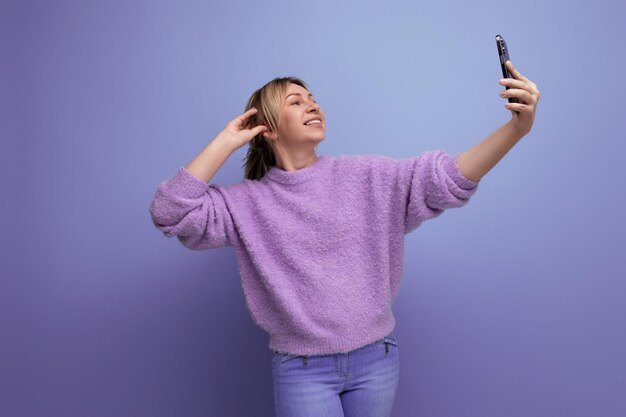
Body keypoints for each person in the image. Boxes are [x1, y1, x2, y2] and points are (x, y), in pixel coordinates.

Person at [149, 61, 540, 417]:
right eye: (296, 101)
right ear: (265, 126)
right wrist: (225, 141)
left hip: (376, 359)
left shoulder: (366, 176)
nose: (312, 105)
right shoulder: (245, 205)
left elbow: (446, 178)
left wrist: (516, 130)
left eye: (313, 99)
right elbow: (170, 212)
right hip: (301, 370)